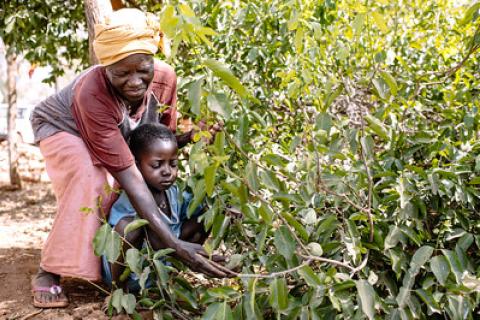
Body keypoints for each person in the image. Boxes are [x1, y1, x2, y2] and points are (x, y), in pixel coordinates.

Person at [29, 8, 232, 308]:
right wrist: (175, 244)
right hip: (62, 127)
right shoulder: (92, 93)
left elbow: (155, 144)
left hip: (107, 132)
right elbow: (129, 175)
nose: (135, 81)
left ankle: (113, 261)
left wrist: (191, 137)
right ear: (105, 67)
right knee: (93, 178)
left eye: (142, 70)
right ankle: (50, 270)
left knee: (137, 183)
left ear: (153, 60)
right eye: (121, 73)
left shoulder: (165, 79)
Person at [102, 123, 222, 290]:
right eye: (157, 165)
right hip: (130, 273)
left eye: (173, 164)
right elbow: (153, 240)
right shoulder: (130, 198)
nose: (167, 171)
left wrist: (225, 210)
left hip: (159, 268)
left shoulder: (175, 192)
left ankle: (169, 276)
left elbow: (202, 213)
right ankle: (118, 291)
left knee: (208, 215)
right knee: (129, 226)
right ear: (136, 165)